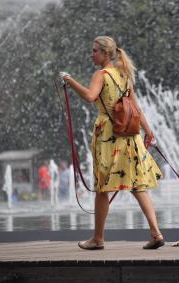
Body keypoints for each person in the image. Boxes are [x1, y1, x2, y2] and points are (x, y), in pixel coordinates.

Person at [59, 36, 164, 250]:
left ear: (106, 54)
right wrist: (148, 132)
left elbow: (90, 96)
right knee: (137, 185)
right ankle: (156, 233)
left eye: (95, 50)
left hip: (109, 135)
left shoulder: (101, 74)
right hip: (130, 134)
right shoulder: (124, 74)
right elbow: (135, 108)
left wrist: (69, 81)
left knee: (102, 188)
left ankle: (98, 239)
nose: (92, 54)